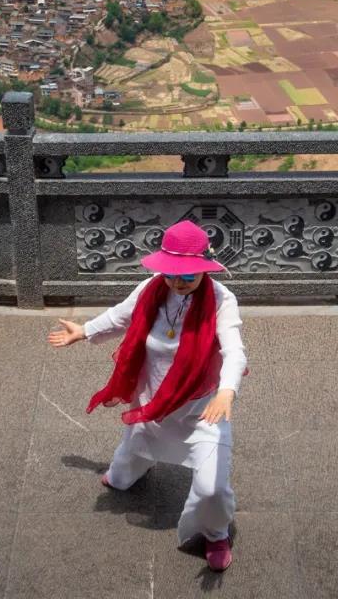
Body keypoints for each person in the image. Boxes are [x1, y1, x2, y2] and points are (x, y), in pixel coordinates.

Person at [47, 219, 248, 572]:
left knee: (213, 488)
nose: (178, 282)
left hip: (201, 410)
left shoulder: (221, 299)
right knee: (134, 450)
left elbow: (235, 350)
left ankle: (215, 533)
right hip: (153, 399)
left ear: (204, 268)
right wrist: (84, 331)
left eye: (188, 275)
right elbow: (120, 316)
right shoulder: (152, 288)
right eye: (172, 273)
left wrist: (227, 391)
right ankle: (123, 475)